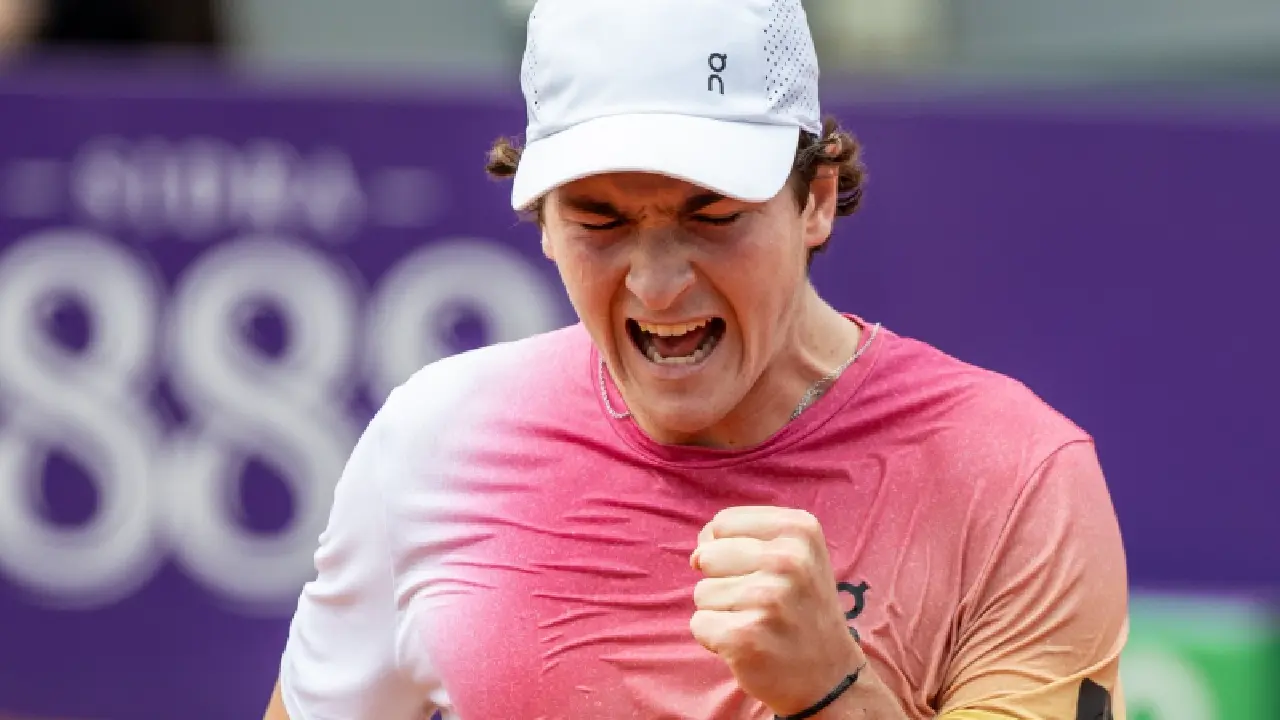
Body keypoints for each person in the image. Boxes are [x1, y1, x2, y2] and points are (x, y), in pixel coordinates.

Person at [263, 0, 1129, 718]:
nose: (658, 284)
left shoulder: (1015, 475)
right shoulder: (434, 441)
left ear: (816, 199)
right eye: (599, 220)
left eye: (712, 215)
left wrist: (833, 692)